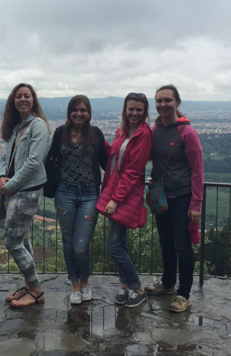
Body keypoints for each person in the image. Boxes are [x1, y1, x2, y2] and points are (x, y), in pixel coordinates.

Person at [143, 85, 204, 313]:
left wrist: (196, 204)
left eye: (167, 100)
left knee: (183, 247)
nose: (162, 105)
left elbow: (198, 170)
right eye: (159, 101)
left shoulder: (187, 133)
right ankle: (168, 284)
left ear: (177, 102)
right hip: (161, 198)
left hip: (182, 198)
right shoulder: (155, 131)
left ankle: (184, 294)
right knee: (166, 244)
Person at [45, 95, 109, 305]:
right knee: (68, 241)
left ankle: (85, 281)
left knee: (81, 245)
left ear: (89, 113)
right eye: (75, 110)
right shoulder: (60, 133)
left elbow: (107, 163)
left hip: (90, 193)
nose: (79, 114)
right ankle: (75, 285)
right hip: (65, 192)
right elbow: (51, 160)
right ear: (69, 112)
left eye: (83, 110)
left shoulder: (96, 133)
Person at [0, 83, 51, 308]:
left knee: (12, 241)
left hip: (27, 191)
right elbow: (4, 157)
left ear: (33, 100)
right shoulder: (18, 126)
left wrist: (11, 186)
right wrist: (1, 177)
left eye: (26, 96)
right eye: (18, 96)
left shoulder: (37, 125)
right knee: (22, 239)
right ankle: (30, 286)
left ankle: (36, 289)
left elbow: (33, 162)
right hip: (14, 189)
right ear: (13, 101)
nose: (22, 99)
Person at [99, 92, 153, 308]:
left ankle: (138, 288)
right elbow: (116, 155)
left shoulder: (144, 135)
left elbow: (132, 171)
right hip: (117, 190)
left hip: (125, 195)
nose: (134, 113)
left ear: (144, 112)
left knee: (112, 246)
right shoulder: (123, 130)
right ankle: (123, 285)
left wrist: (115, 199)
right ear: (125, 109)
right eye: (131, 109)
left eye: (139, 110)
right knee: (121, 243)